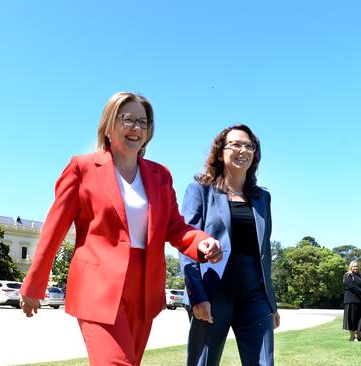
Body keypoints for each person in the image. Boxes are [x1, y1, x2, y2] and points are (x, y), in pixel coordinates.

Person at [19, 92, 222, 365]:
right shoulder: (82, 168)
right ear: (109, 124)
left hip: (144, 290)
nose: (136, 128)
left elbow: (175, 227)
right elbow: (54, 230)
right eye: (128, 119)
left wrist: (200, 242)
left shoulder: (160, 175)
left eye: (143, 121)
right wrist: (34, 285)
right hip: (98, 287)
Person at [179, 124, 279, 366]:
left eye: (248, 145)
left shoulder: (262, 198)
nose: (242, 149)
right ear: (220, 151)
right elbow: (186, 243)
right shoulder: (200, 190)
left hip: (254, 293)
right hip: (213, 291)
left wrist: (271, 303)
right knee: (203, 363)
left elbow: (264, 253)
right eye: (235, 144)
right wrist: (196, 295)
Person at [343, 260, 361, 341]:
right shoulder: (348, 275)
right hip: (351, 300)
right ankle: (353, 336)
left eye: (357, 266)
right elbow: (351, 286)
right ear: (350, 267)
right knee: (352, 319)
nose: (355, 268)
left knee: (360, 319)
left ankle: (358, 336)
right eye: (354, 266)